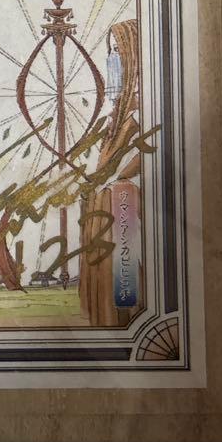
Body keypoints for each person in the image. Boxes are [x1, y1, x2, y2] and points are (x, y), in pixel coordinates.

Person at [78, 20, 143, 327]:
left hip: (123, 208)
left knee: (123, 281)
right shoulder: (117, 113)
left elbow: (141, 159)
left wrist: (110, 183)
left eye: (119, 51)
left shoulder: (142, 110)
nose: (112, 60)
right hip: (106, 205)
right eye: (110, 52)